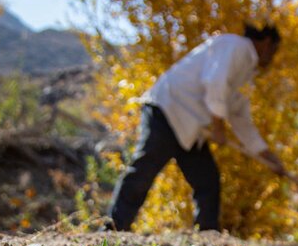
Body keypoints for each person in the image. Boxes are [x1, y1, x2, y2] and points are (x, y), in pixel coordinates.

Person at [105, 24, 286, 232]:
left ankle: (207, 238)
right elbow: (215, 82)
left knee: (208, 182)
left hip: (192, 128)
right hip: (168, 109)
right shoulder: (234, 46)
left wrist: (268, 157)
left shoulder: (245, 71)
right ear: (267, 43)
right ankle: (115, 228)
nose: (272, 58)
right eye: (274, 51)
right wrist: (218, 127)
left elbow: (240, 119)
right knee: (144, 169)